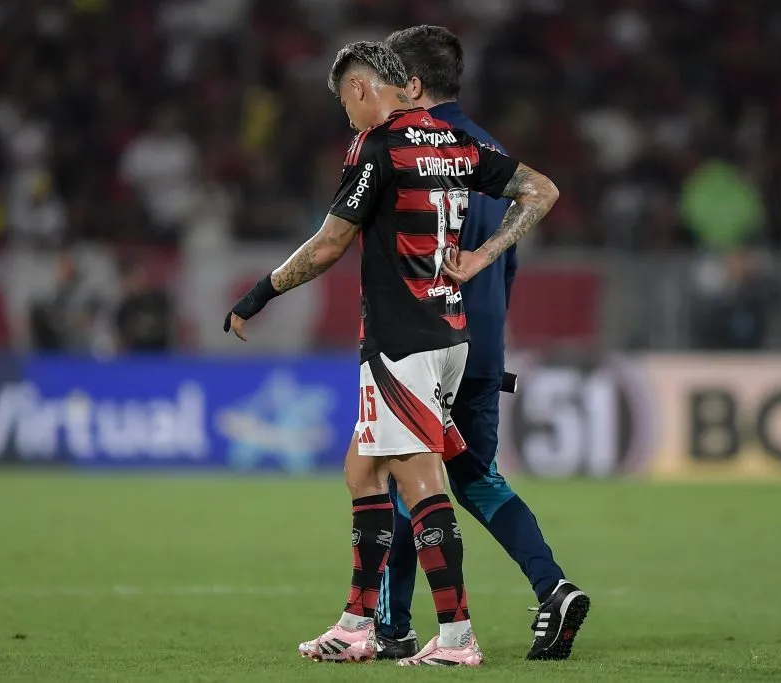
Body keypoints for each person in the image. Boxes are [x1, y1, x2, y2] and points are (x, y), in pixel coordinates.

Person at [225, 41, 559, 667]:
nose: (347, 116)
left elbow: (330, 244)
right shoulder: (453, 141)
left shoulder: (376, 147)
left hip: (404, 339)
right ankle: (358, 623)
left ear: (358, 89)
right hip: (448, 334)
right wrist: (483, 258)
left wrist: (259, 293)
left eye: (344, 103)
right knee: (362, 470)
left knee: (419, 479)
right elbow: (540, 190)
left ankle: (456, 637)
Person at [369, 25, 590, 662]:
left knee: (406, 477)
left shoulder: (410, 150)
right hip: (484, 346)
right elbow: (507, 263)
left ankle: (392, 626)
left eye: (389, 81)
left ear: (412, 85)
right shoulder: (492, 153)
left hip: (426, 342)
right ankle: (553, 587)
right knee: (475, 478)